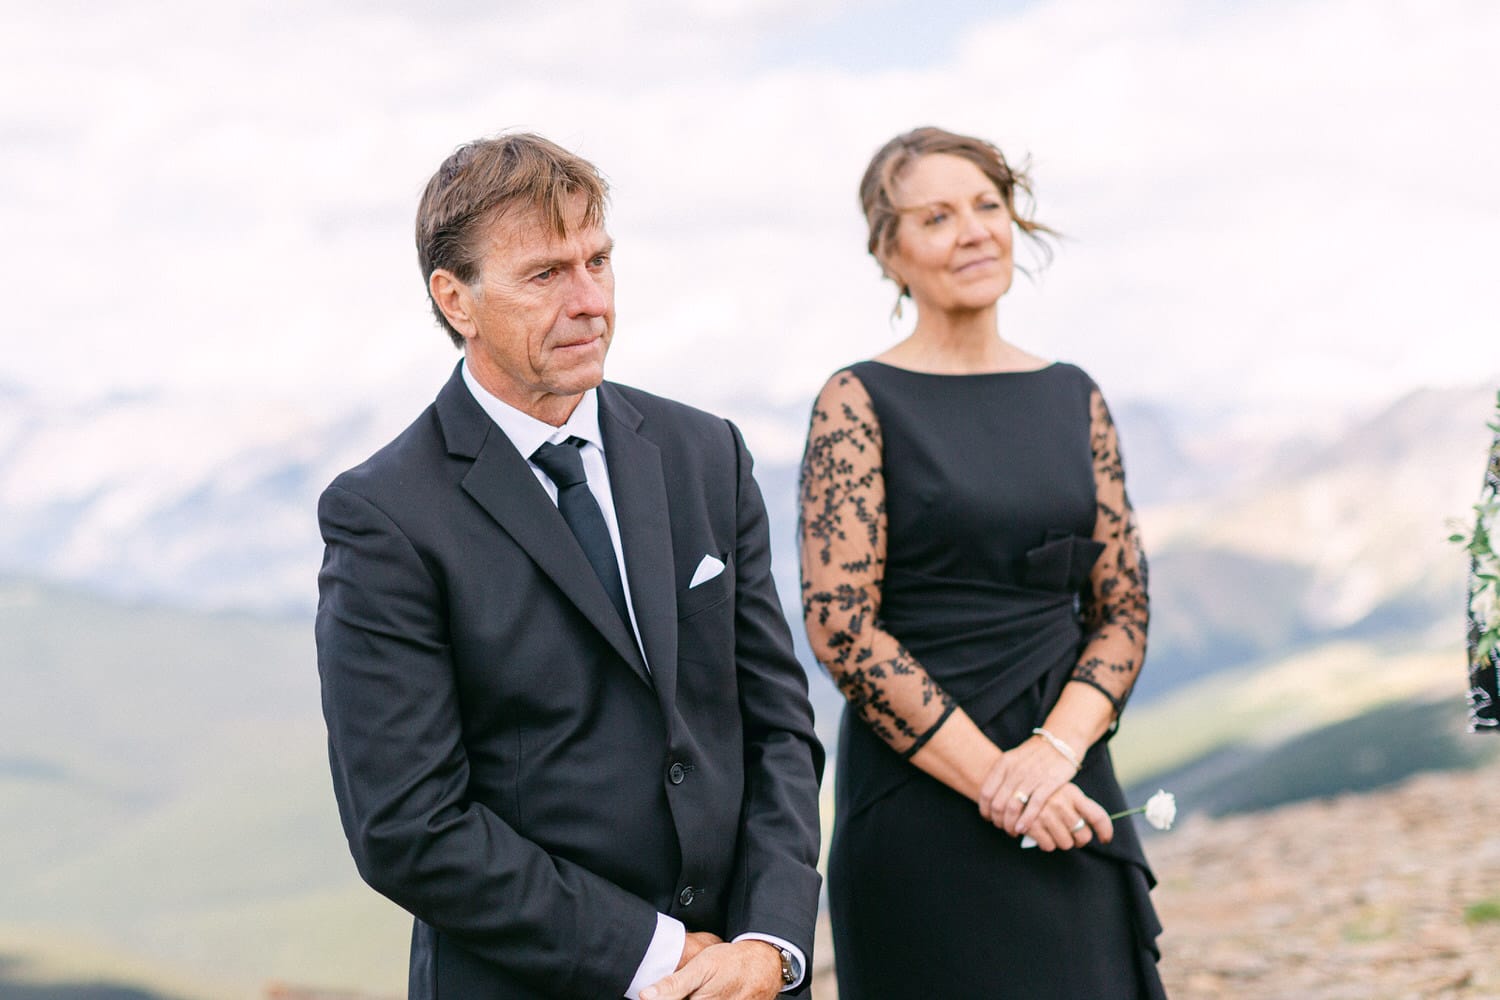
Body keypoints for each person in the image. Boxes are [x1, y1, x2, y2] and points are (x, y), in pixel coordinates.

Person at [315, 132, 823, 1000]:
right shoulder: (384, 515)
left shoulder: (705, 453)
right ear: (456, 299)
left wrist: (768, 944)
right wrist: (663, 956)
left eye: (599, 261)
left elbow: (778, 726)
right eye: (547, 274)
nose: (590, 301)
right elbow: (407, 826)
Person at [798, 126, 1165, 998]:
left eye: (987, 206)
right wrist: (1002, 779)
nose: (972, 231)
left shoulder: (1073, 395)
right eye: (936, 216)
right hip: (922, 806)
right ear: (892, 254)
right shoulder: (857, 401)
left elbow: (1124, 608)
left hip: (1072, 787)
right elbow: (842, 628)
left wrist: (1050, 757)